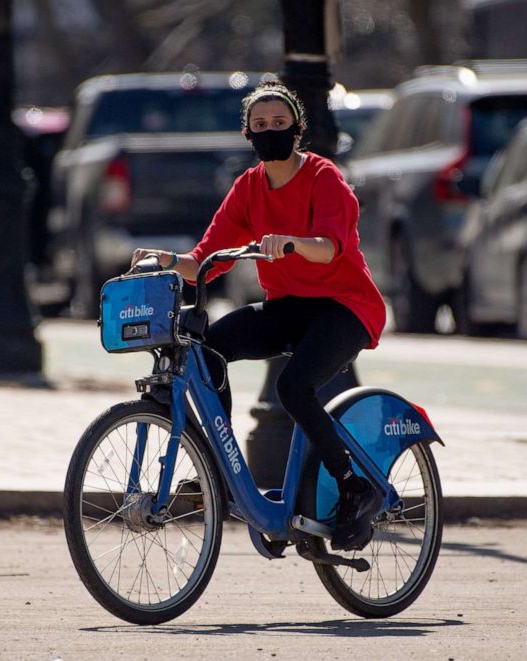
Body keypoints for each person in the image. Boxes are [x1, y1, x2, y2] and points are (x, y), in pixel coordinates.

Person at [131, 81, 387, 551]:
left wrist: (291, 241)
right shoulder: (248, 187)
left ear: (298, 130)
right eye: (260, 125)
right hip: (288, 307)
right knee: (205, 353)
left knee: (294, 387)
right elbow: (207, 258)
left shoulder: (324, 178)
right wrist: (168, 259)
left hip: (344, 309)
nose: (271, 131)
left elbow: (331, 247)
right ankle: (221, 469)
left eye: (280, 124)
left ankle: (354, 483)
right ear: (248, 134)